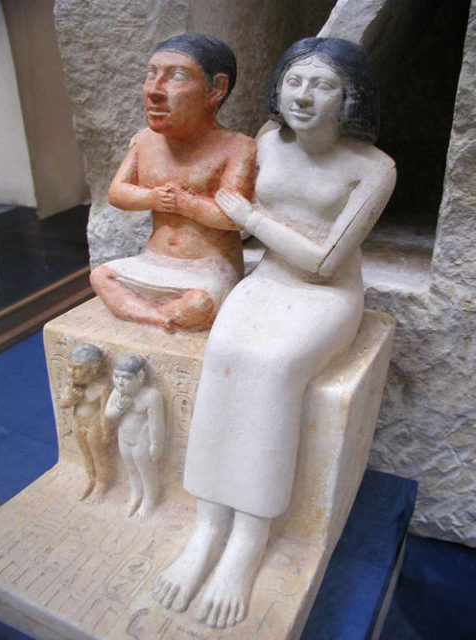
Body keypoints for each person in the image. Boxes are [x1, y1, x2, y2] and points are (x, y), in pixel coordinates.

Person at [154, 37, 396, 628]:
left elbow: (325, 262)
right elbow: (227, 217)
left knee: (271, 366)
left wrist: (250, 217)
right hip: (266, 282)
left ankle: (249, 538)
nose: (304, 97)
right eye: (295, 81)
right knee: (225, 350)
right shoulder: (266, 141)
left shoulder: (373, 168)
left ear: (351, 97)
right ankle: (209, 526)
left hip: (325, 296)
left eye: (324, 85)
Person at [90, 34, 256, 331]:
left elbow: (233, 218)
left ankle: (161, 314)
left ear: (216, 89)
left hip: (208, 268)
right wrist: (152, 198)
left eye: (177, 77)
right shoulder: (144, 140)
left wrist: (184, 203)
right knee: (101, 276)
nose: (154, 91)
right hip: (154, 260)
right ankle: (157, 317)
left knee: (199, 303)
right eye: (150, 74)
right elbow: (116, 193)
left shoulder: (237, 147)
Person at [105, 354, 165, 520]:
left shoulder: (151, 396)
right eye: (116, 376)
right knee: (131, 469)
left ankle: (150, 501)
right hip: (124, 436)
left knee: (146, 471)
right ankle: (136, 495)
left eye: (126, 378)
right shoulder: (117, 393)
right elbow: (108, 414)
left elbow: (156, 423)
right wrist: (119, 407)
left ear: (140, 377)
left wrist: (156, 445)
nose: (120, 382)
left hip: (142, 438)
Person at [59, 343, 114, 504]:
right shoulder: (73, 384)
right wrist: (69, 399)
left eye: (78, 368)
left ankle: (102, 484)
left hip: (94, 424)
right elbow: (63, 403)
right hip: (78, 422)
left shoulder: (102, 387)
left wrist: (106, 432)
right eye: (70, 367)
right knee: (86, 455)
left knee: (98, 455)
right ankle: (91, 478)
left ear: (93, 369)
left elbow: (106, 413)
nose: (72, 372)